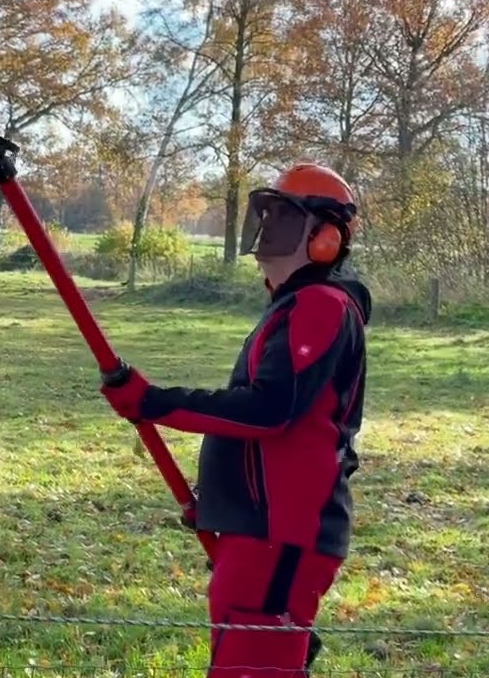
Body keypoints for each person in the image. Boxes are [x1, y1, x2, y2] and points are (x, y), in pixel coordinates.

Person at [98, 163, 372, 677]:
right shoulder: (293, 306)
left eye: (284, 219)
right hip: (258, 530)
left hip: (283, 535)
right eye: (266, 217)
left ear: (324, 239)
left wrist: (153, 402)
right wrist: (226, 506)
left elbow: (270, 414)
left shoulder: (320, 306)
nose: (268, 232)